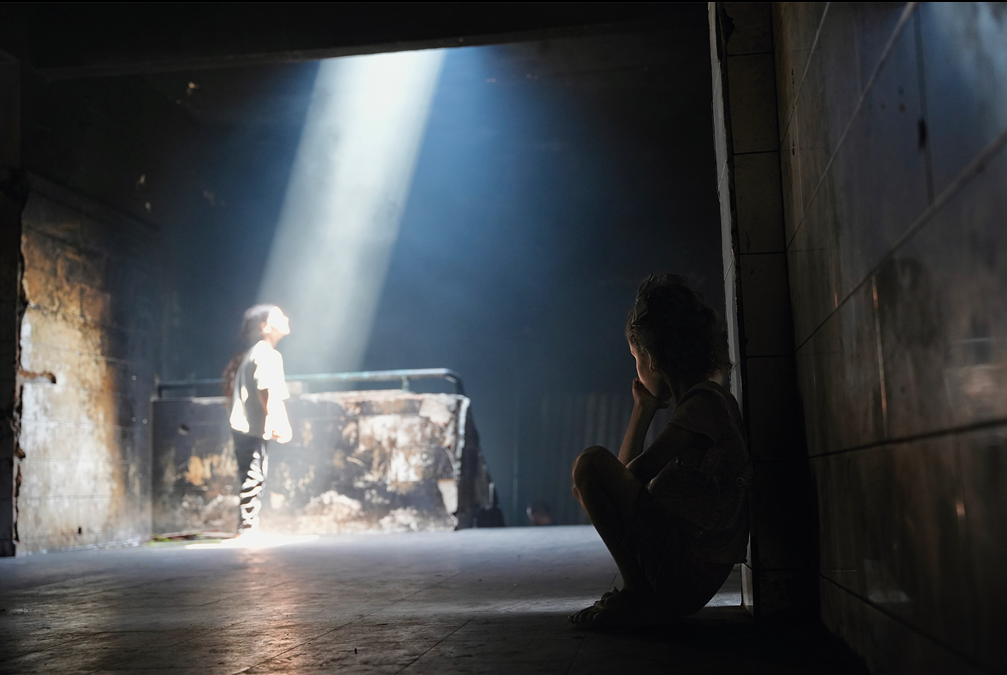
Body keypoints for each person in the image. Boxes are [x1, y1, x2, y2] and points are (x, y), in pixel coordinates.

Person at [569, 274, 750, 631]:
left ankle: (637, 595)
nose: (636, 370)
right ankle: (639, 594)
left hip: (689, 572)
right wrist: (643, 409)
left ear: (651, 359)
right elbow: (621, 482)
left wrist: (641, 412)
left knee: (590, 463)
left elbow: (630, 475)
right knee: (586, 480)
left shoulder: (705, 403)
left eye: (635, 357)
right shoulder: (702, 402)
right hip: (682, 567)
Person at [222, 304, 293, 537]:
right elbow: (266, 390)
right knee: (254, 476)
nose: (286, 319)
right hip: (250, 427)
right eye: (279, 316)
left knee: (253, 475)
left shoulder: (258, 352)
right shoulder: (265, 354)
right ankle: (247, 527)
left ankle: (248, 525)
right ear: (265, 326)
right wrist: (278, 421)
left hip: (246, 426)